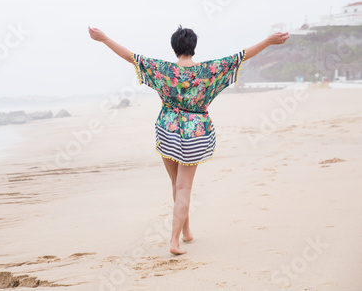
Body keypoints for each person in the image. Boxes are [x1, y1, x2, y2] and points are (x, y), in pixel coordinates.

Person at [88, 25, 290, 255]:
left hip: (168, 129)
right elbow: (241, 56)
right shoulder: (208, 70)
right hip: (195, 132)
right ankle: (174, 241)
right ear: (193, 47)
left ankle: (186, 232)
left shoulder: (162, 69)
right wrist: (268, 41)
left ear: (174, 48)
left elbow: (129, 56)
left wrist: (103, 38)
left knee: (176, 185)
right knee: (184, 187)